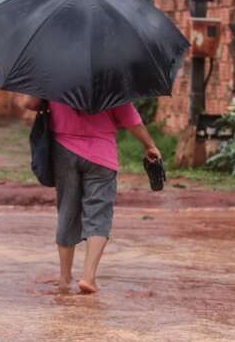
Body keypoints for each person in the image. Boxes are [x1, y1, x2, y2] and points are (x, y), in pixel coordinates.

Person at [23, 96, 162, 294]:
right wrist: (149, 145)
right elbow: (130, 119)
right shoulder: (110, 79)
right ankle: (88, 277)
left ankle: (64, 278)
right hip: (101, 155)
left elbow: (30, 104)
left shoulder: (55, 76)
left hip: (63, 151)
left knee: (67, 210)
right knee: (99, 211)